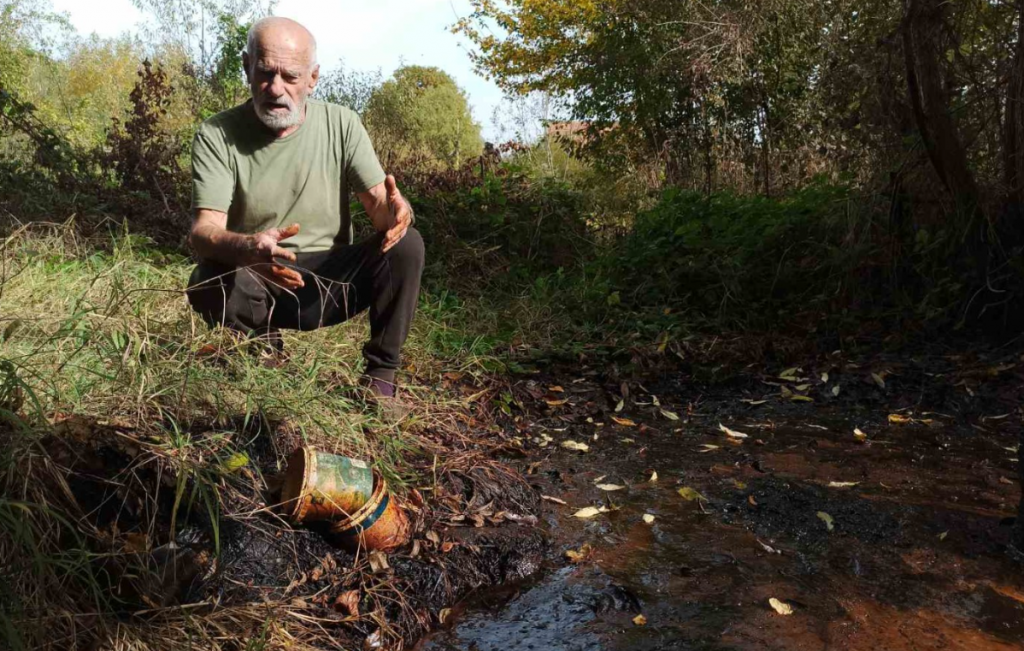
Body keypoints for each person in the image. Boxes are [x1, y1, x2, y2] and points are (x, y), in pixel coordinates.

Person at [186, 16, 423, 411]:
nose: (276, 89)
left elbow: (381, 207)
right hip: (261, 276)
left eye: (290, 77)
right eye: (264, 73)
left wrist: (397, 213)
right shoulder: (216, 135)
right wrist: (247, 247)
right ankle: (263, 351)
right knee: (206, 280)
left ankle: (380, 381)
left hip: (333, 282)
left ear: (313, 79)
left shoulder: (343, 123)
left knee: (407, 245)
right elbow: (203, 231)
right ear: (246, 67)